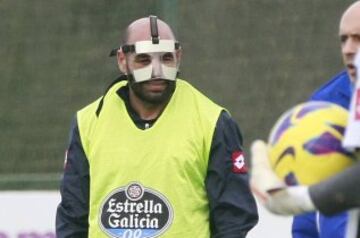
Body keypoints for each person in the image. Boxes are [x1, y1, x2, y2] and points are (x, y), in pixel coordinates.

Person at [56, 15, 258, 238]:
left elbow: (233, 219)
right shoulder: (88, 122)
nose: (157, 70)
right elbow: (73, 216)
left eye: (166, 58)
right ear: (123, 60)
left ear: (178, 57)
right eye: (144, 60)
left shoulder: (212, 121)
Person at [250, 1, 360, 237]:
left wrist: (302, 198)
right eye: (344, 39)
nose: (349, 49)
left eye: (359, 38)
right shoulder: (326, 104)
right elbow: (307, 222)